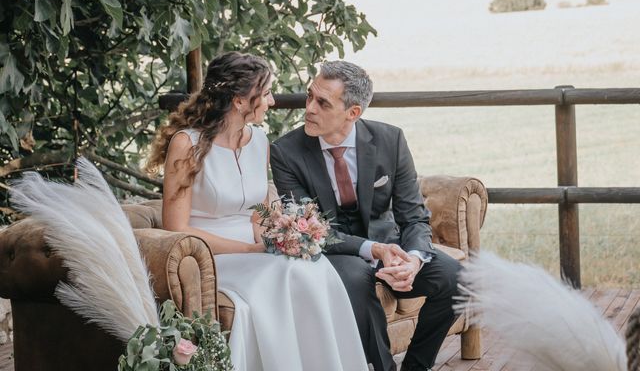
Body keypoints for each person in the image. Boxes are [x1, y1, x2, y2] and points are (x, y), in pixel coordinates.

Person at [146, 52, 368, 371]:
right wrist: (252, 249)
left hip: (254, 253)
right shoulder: (187, 145)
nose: (272, 101)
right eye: (265, 94)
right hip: (209, 259)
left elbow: (257, 214)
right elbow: (177, 228)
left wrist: (283, 238)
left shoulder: (260, 140)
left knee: (312, 266)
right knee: (284, 272)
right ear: (239, 101)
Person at [270, 61, 461, 371]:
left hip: (389, 245)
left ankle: (416, 367)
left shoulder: (390, 140)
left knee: (455, 278)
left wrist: (412, 260)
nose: (309, 108)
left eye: (322, 102)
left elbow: (413, 215)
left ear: (353, 112)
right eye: (309, 97)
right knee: (355, 280)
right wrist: (371, 250)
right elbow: (308, 228)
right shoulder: (286, 151)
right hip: (334, 250)